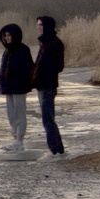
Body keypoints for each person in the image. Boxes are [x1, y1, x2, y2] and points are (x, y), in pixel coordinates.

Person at [0, 23, 34, 152]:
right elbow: (5, 67)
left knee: (19, 113)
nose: (6, 38)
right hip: (8, 86)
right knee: (11, 114)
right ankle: (15, 138)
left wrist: (18, 77)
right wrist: (1, 75)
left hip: (19, 86)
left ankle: (19, 140)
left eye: (9, 35)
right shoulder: (7, 51)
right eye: (5, 35)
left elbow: (28, 68)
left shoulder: (23, 50)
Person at [32, 15, 66, 156]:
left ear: (47, 26)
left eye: (41, 25)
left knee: (48, 118)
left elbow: (59, 66)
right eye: (38, 25)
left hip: (48, 85)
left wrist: (44, 74)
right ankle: (57, 148)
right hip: (42, 85)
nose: (38, 27)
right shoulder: (44, 42)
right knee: (47, 118)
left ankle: (55, 149)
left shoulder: (55, 43)